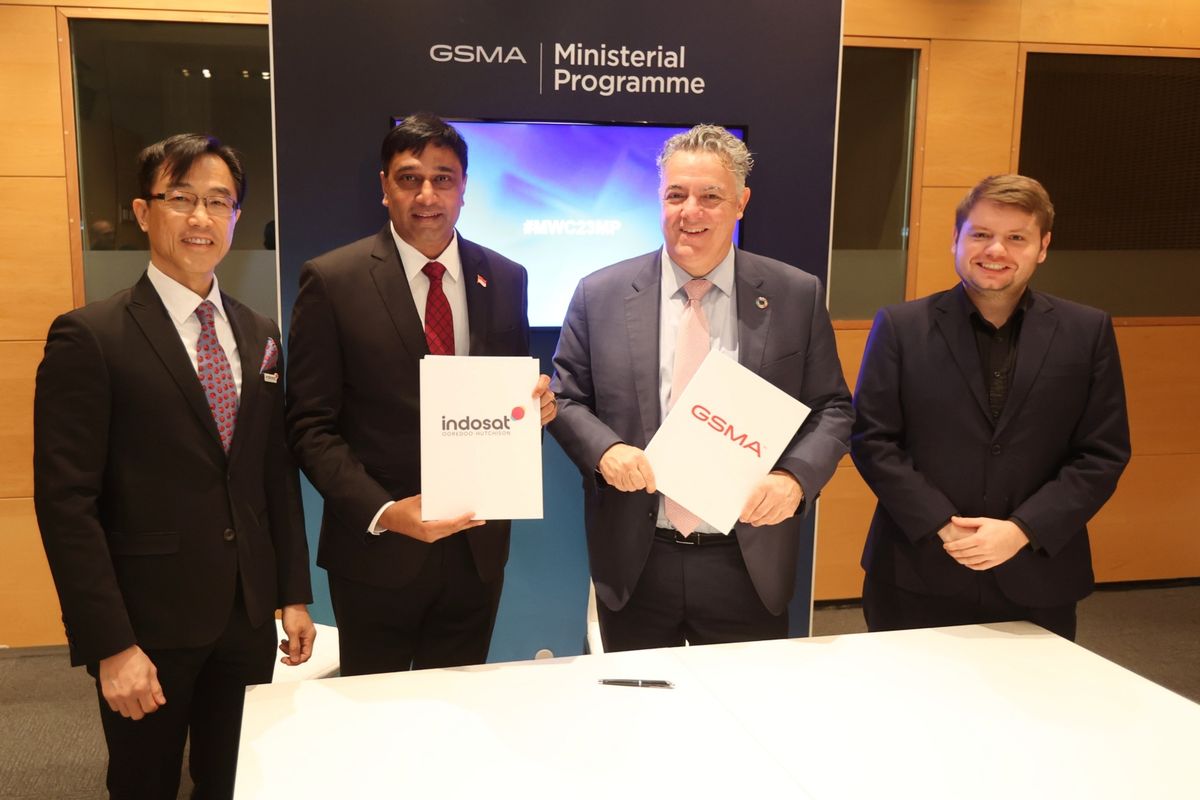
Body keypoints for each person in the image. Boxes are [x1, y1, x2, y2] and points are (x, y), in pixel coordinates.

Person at [33, 133, 315, 799]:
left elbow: (272, 471)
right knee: (144, 785)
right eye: (180, 198)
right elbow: (66, 503)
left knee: (236, 781)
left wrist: (292, 593)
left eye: (220, 202)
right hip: (146, 628)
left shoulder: (260, 333)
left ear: (237, 218)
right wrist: (110, 644)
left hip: (246, 620)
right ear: (142, 210)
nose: (200, 218)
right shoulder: (90, 337)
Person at [548, 124, 853, 651]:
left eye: (710, 196)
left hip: (745, 558)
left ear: (741, 203)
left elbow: (833, 409)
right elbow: (567, 397)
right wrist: (607, 451)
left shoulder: (795, 295)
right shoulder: (600, 293)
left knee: (746, 720)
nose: (691, 211)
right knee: (636, 717)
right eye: (676, 195)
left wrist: (795, 481)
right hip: (638, 560)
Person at [286, 112, 556, 676]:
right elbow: (310, 426)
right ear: (384, 187)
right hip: (376, 552)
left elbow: (502, 399)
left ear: (464, 190)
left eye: (444, 178)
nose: (427, 194)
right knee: (375, 723)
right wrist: (384, 511)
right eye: (409, 178)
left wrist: (533, 410)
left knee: (458, 716)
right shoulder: (332, 280)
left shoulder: (506, 277)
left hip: (476, 551)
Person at [851, 174, 1131, 641]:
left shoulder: (1088, 332)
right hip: (916, 571)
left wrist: (1023, 529)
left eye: (1016, 238)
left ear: (1042, 246)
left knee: (1031, 711)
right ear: (956, 240)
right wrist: (942, 526)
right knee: (908, 709)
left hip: (1039, 572)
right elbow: (872, 439)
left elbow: (1102, 454)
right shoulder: (900, 327)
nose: (995, 250)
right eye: (980, 234)